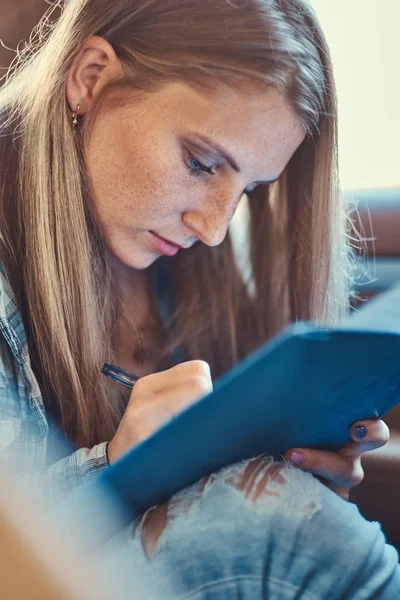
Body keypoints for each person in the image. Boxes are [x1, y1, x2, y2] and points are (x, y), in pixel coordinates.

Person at [0, 0, 399, 597]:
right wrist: (115, 464)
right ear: (89, 78)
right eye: (202, 163)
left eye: (250, 190)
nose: (212, 228)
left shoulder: (192, 263)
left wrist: (287, 463)